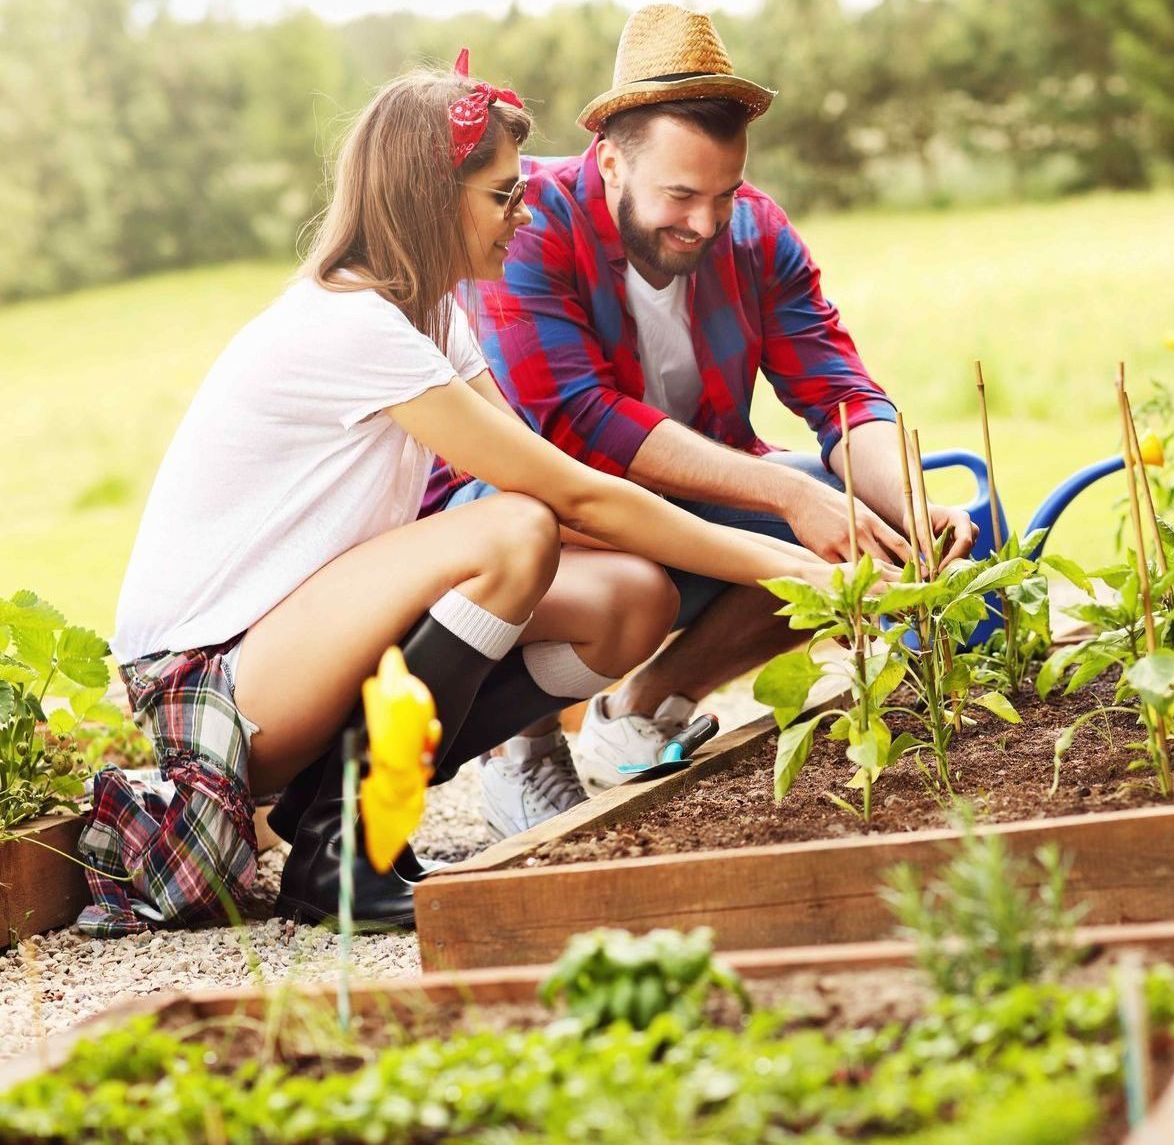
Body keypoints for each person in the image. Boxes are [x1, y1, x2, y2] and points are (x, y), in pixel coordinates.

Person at [89, 54, 852, 935]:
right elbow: (568, 495)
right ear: (428, 196)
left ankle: (332, 806)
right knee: (514, 530)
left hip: (290, 651)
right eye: (501, 196)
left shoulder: (430, 316)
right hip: (210, 692)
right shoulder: (349, 324)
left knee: (630, 601)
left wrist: (783, 557)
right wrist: (791, 563)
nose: (521, 216)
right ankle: (350, 849)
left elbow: (564, 481)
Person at [435, 4, 976, 831]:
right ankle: (524, 747)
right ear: (611, 162)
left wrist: (899, 497)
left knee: (845, 520)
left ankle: (648, 705)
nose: (705, 223)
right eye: (681, 195)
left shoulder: (755, 232)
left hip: (678, 498)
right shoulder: (527, 220)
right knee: (671, 533)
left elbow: (839, 390)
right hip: (522, 511)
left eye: (723, 193)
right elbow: (575, 422)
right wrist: (789, 496)